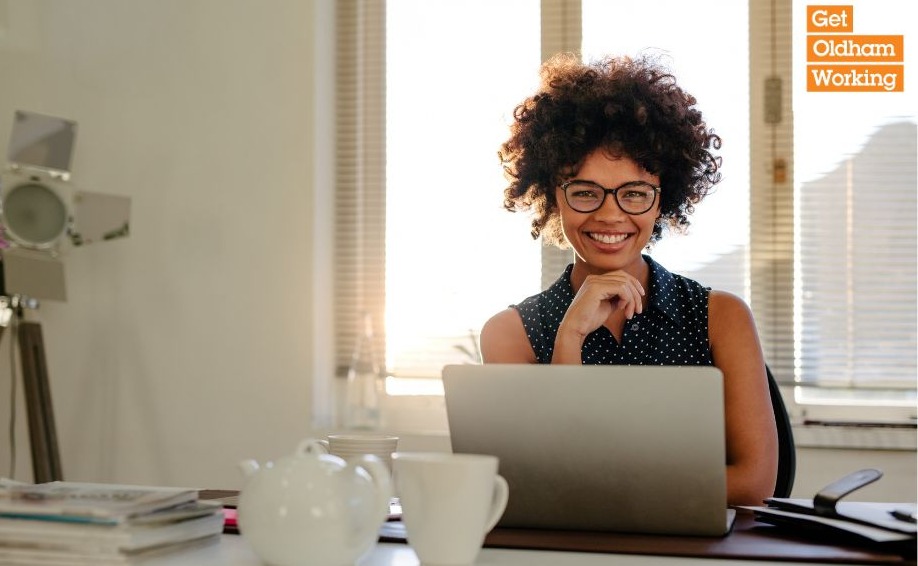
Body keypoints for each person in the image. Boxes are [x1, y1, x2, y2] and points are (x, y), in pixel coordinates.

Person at [479, 53, 778, 506]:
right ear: (553, 197)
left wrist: (606, 487)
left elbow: (755, 483)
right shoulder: (509, 334)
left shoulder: (722, 317)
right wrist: (570, 339)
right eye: (585, 192)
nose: (610, 214)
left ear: (663, 200)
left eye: (634, 193)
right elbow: (541, 476)